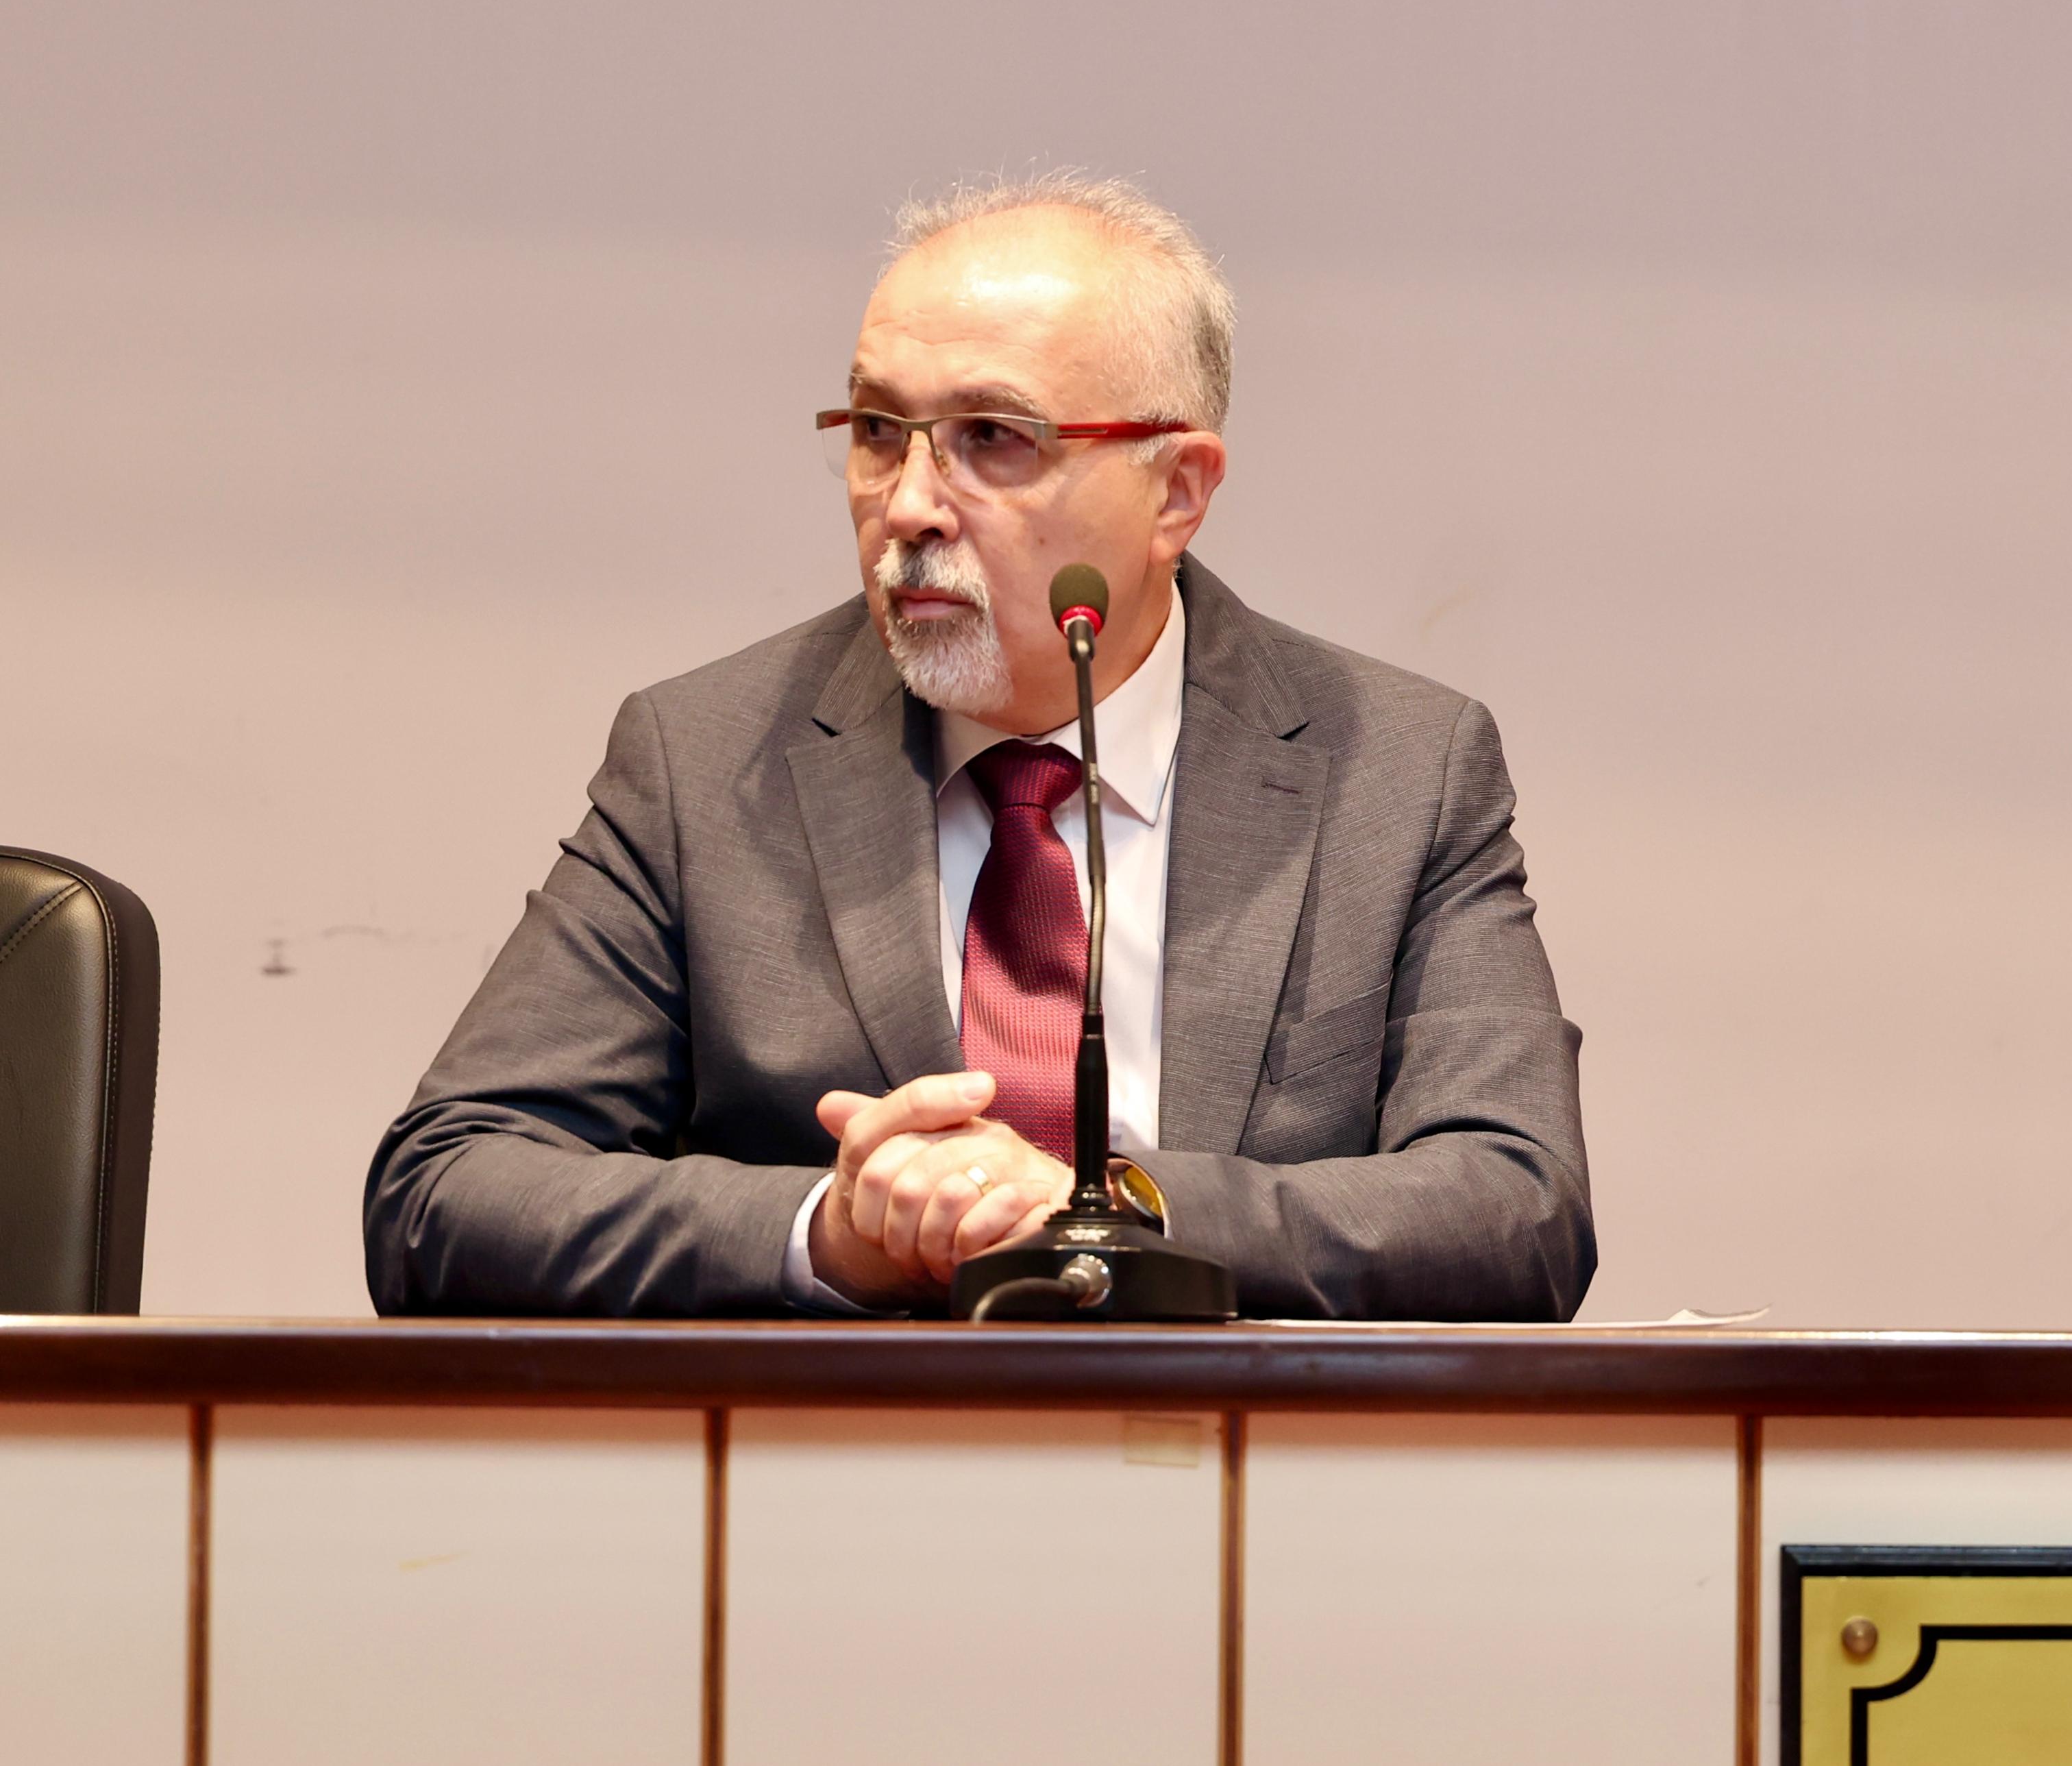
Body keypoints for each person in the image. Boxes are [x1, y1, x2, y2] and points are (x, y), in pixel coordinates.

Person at [366, 177, 1592, 1318]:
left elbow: (1519, 1207)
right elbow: (444, 1189)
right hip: (847, 1462)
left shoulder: (1399, 771)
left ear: (1177, 489)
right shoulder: (706, 762)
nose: (908, 503)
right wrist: (827, 1231)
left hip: (1230, 1461)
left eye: (993, 437)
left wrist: (1114, 1210)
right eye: (878, 430)